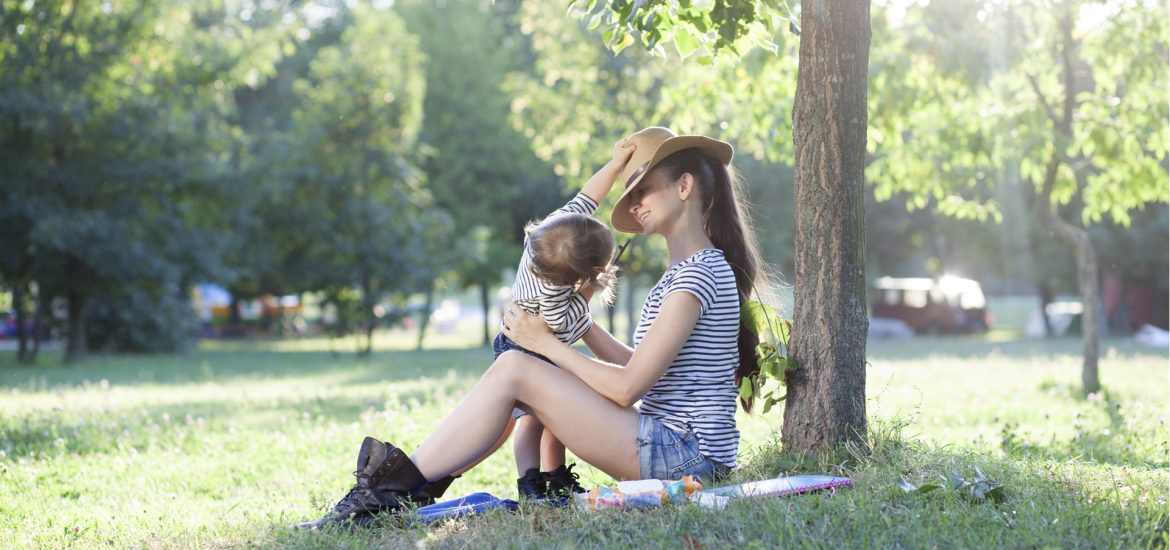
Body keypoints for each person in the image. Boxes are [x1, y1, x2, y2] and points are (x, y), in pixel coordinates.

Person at [296, 126, 764, 529]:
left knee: (517, 367)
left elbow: (626, 389)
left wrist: (545, 343)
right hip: (675, 449)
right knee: (518, 371)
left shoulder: (697, 275)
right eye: (629, 194)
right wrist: (578, 327)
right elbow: (644, 369)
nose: (634, 204)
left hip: (683, 460)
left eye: (643, 190)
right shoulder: (690, 271)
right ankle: (397, 491)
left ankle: (384, 494)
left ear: (684, 187)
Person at [497, 138, 634, 500]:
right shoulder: (555, 293)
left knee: (555, 417)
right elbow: (565, 327)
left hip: (534, 342)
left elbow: (588, 195)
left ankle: (556, 475)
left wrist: (616, 163)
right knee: (532, 420)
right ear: (580, 275)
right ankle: (530, 482)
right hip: (526, 345)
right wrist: (589, 292)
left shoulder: (551, 232)